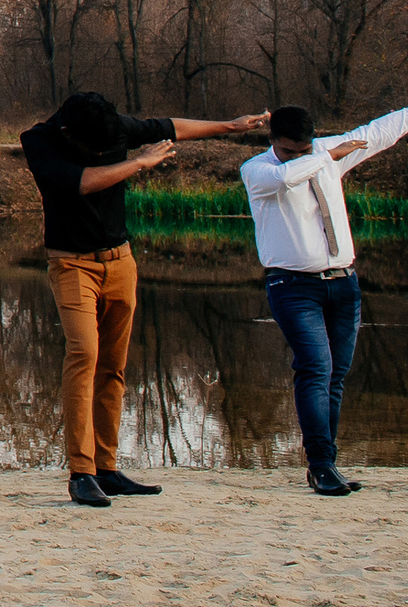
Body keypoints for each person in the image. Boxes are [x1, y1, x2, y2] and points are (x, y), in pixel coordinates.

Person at [21, 91, 269, 507]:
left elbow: (171, 127)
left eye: (108, 147)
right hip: (71, 266)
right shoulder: (40, 141)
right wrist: (139, 161)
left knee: (113, 368)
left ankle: (107, 467)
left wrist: (229, 124)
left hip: (121, 262)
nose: (103, 151)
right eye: (95, 149)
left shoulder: (112, 124)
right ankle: (81, 473)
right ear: (68, 132)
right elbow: (82, 182)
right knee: (83, 354)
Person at [241, 79, 408, 496]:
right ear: (273, 140)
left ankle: (327, 463)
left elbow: (379, 132)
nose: (300, 155)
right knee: (314, 368)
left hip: (344, 285)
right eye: (290, 149)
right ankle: (321, 463)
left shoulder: (324, 154)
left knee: (336, 375)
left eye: (306, 148)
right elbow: (287, 178)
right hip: (293, 286)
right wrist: (328, 154)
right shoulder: (258, 171)